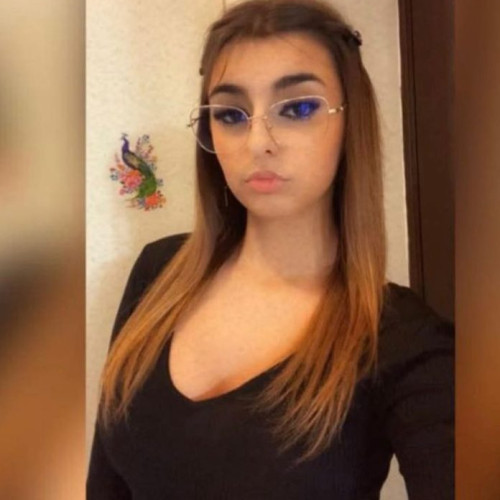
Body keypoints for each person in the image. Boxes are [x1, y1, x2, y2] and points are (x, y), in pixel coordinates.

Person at [87, 0, 455, 498]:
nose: (258, 141)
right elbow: (106, 485)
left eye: (298, 108)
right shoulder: (158, 273)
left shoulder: (402, 341)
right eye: (230, 114)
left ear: (350, 122)